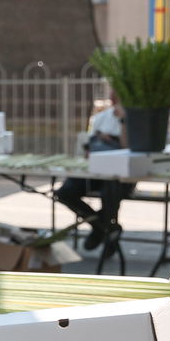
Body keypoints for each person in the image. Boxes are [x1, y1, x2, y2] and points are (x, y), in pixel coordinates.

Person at [56, 91, 134, 251]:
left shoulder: (134, 118)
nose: (113, 95)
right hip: (95, 173)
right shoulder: (101, 117)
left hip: (120, 176)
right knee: (64, 192)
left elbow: (129, 149)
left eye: (117, 90)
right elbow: (88, 151)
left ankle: (104, 232)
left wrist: (123, 121)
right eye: (112, 90)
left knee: (111, 193)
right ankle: (102, 226)